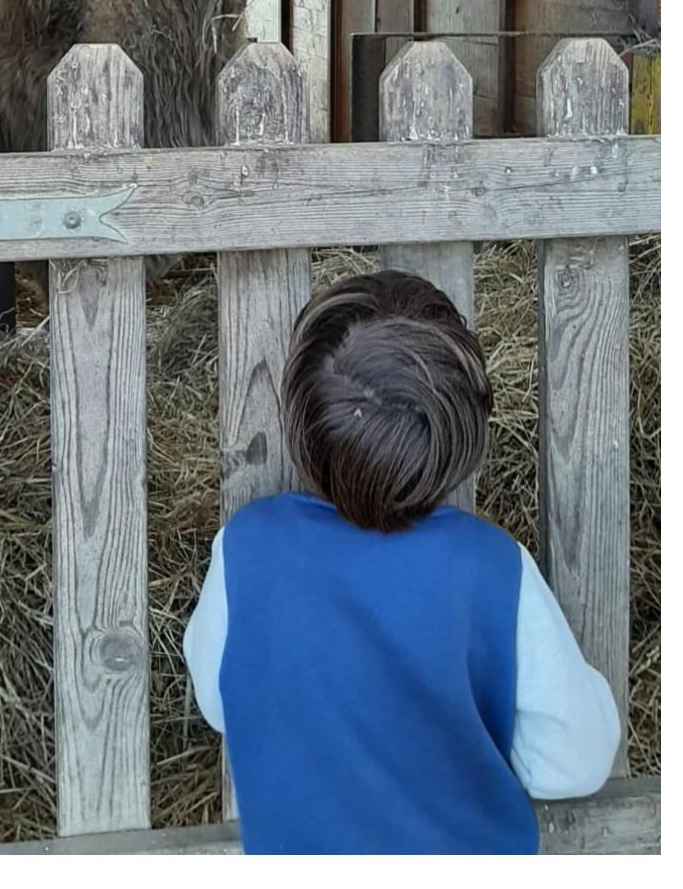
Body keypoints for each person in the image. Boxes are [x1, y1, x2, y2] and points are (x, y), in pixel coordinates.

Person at [185, 271, 621, 851]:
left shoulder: (247, 548)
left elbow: (220, 705)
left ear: (303, 418)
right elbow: (575, 761)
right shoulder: (492, 570)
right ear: (462, 430)